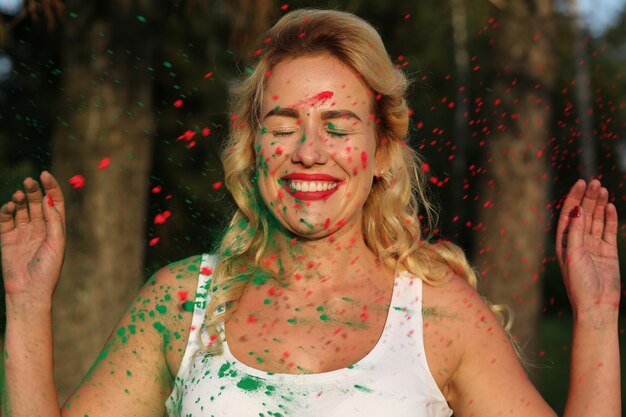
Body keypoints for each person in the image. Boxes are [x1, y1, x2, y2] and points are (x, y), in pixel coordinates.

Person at [0, 8, 621, 417]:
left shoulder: (435, 312)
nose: (309, 153)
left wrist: (596, 317)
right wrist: (27, 307)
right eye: (284, 124)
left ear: (381, 150)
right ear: (254, 147)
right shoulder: (182, 303)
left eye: (337, 124)